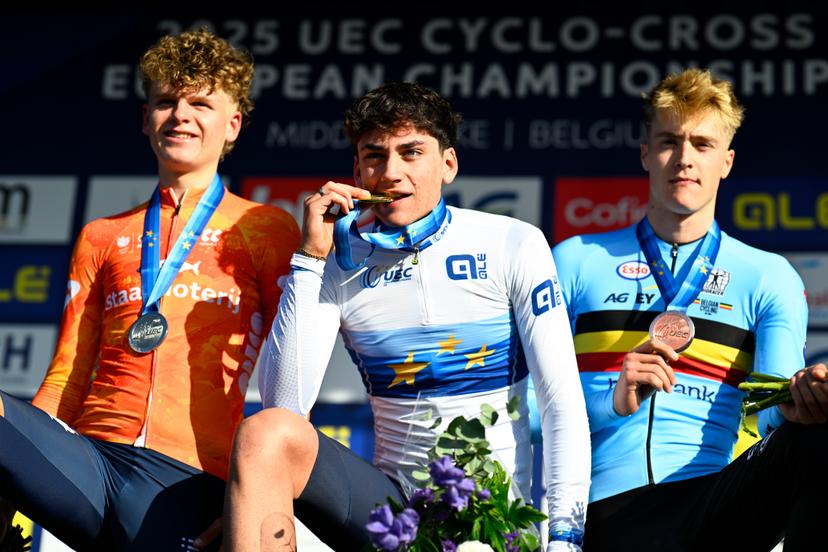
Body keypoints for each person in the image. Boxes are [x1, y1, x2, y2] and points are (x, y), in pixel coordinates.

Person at [222, 82, 591, 552]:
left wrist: (564, 539)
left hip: (490, 522)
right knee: (263, 433)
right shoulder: (337, 261)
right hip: (393, 519)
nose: (390, 172)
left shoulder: (512, 243)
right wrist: (310, 259)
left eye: (411, 152)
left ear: (448, 164)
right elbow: (284, 408)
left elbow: (560, 404)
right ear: (356, 170)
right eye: (374, 156)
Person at [0, 28, 300, 550]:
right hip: (89, 462)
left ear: (232, 126)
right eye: (166, 101)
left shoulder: (266, 229)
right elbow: (67, 374)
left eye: (201, 103)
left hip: (188, 476)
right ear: (147, 120)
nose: (181, 114)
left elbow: (293, 373)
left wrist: (265, 492)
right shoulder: (103, 235)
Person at [552, 67, 828, 551]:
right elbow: (525, 412)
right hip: (604, 507)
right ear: (645, 154)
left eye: (702, 145)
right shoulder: (576, 260)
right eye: (668, 142)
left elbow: (769, 418)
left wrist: (797, 403)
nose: (684, 159)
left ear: (727, 161)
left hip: (715, 505)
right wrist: (613, 401)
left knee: (819, 433)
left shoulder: (769, 275)